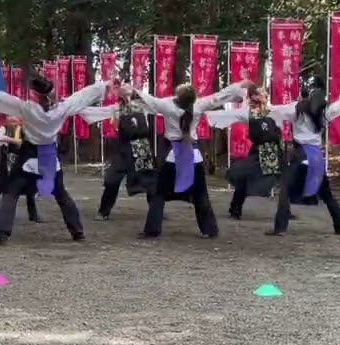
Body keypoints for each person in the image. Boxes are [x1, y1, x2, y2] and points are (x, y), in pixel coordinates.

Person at [0, 74, 112, 245]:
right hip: (48, 154)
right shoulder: (62, 108)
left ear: (35, 94)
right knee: (61, 194)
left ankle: (2, 233)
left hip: (29, 154)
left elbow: (3, 100)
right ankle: (77, 231)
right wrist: (105, 85)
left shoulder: (27, 108)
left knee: (11, 193)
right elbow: (82, 96)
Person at [119, 79, 251, 239]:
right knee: (201, 194)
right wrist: (239, 86)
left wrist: (131, 90)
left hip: (172, 157)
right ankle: (209, 230)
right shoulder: (198, 106)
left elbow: (147, 99)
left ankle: (152, 230)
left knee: (159, 194)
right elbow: (219, 97)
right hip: (193, 156)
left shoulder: (167, 106)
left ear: (177, 96)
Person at [268, 77, 340, 236]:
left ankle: (280, 228)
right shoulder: (325, 112)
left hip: (300, 155)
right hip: (316, 157)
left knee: (285, 192)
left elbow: (274, 111)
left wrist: (260, 106)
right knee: (327, 193)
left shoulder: (296, 109)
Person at [203, 85, 285, 220]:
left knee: (283, 179)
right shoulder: (247, 112)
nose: (265, 95)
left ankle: (285, 211)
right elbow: (229, 115)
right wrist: (205, 113)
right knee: (243, 176)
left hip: (273, 152)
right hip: (258, 152)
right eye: (261, 93)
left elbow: (289, 112)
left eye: (265, 93)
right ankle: (235, 208)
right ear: (253, 97)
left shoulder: (273, 111)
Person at [80, 89, 155, 220]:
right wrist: (74, 108)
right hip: (124, 148)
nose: (126, 91)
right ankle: (104, 211)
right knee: (111, 180)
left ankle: (156, 209)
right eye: (123, 89)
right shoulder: (115, 108)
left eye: (128, 88)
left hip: (141, 147)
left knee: (149, 180)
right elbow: (96, 112)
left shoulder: (144, 106)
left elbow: (164, 107)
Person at [0, 117, 41, 223]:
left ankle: (33, 215)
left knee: (30, 188)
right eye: (11, 117)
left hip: (23, 162)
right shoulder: (6, 129)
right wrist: (14, 140)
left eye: (17, 117)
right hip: (7, 163)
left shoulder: (28, 130)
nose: (15, 119)